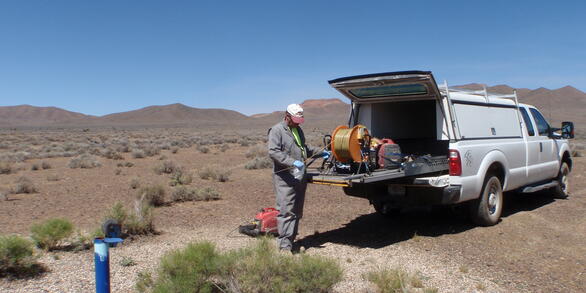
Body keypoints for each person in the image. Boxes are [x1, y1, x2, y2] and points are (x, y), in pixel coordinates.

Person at [268, 103, 329, 252]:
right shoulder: (277, 130)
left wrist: (321, 152)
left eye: (299, 120)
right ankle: (284, 248)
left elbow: (303, 149)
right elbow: (274, 152)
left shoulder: (298, 130)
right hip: (285, 178)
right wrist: (292, 162)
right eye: (295, 119)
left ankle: (292, 241)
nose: (297, 122)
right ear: (287, 116)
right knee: (286, 211)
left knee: (297, 211)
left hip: (300, 177)